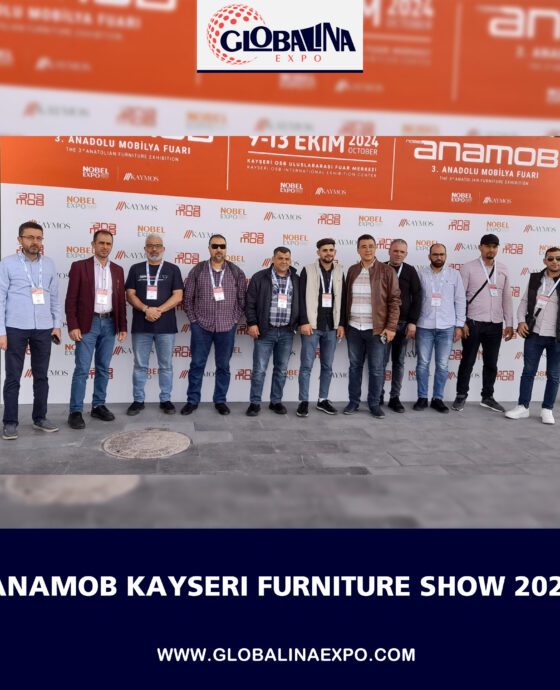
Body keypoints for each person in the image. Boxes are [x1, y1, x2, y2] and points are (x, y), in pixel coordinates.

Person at [0, 221, 61, 440]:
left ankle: (40, 417)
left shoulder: (49, 264)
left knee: (41, 376)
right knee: (13, 377)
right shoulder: (7, 263)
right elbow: (0, 298)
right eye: (30, 237)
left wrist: (56, 325)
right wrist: (1, 332)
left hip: (43, 328)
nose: (35, 242)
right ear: (20, 240)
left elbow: (55, 298)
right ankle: (10, 422)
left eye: (39, 238)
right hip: (15, 327)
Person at [65, 229, 127, 429]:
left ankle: (98, 405)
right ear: (93, 245)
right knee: (82, 369)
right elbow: (70, 300)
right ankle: (75, 411)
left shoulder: (117, 270)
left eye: (108, 243)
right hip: (87, 324)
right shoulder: (79, 267)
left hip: (109, 324)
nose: (105, 247)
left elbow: (120, 301)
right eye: (101, 243)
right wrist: (73, 325)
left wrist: (122, 326)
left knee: (103, 368)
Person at [182, 234, 246, 416]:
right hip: (201, 326)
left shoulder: (236, 272)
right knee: (197, 364)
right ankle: (192, 401)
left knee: (223, 366)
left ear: (226, 249)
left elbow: (242, 300)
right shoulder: (198, 270)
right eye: (215, 246)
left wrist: (234, 320)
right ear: (209, 248)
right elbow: (187, 299)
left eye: (222, 246)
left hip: (227, 327)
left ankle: (220, 401)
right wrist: (194, 321)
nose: (219, 249)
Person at [452, 234, 514, 413]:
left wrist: (509, 323)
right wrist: (461, 322)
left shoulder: (503, 269)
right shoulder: (468, 268)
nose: (491, 250)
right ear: (480, 247)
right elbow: (459, 297)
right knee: (468, 361)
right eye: (487, 246)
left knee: (491, 363)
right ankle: (461, 395)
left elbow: (506, 298)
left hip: (495, 323)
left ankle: (488, 397)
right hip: (473, 323)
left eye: (494, 246)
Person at [342, 234, 400, 418]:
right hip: (354, 328)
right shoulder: (352, 270)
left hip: (377, 330)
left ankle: (374, 404)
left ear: (376, 248)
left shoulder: (387, 271)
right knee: (354, 367)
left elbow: (395, 301)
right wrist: (343, 324)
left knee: (376, 369)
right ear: (358, 250)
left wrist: (391, 327)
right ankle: (353, 402)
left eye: (371, 246)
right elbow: (345, 299)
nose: (367, 249)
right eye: (364, 246)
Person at [125, 234, 184, 416]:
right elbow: (130, 294)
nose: (154, 249)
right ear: (145, 249)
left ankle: (165, 400)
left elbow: (178, 295)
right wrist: (146, 309)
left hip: (166, 327)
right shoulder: (135, 269)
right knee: (140, 365)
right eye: (150, 246)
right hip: (141, 326)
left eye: (158, 245)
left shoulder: (173, 269)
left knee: (166, 366)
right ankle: (138, 400)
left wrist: (158, 310)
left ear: (163, 249)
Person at [505, 247, 560, 425]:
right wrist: (521, 321)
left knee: (554, 375)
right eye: (550, 258)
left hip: (557, 336)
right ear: (545, 261)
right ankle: (523, 407)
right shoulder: (536, 278)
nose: (555, 262)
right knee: (528, 372)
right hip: (534, 333)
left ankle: (547, 409)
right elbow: (524, 302)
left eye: (558, 258)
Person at [245, 247, 300, 417]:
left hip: (287, 332)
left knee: (281, 369)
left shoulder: (296, 279)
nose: (284, 261)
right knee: (259, 369)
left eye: (287, 258)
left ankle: (276, 401)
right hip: (265, 331)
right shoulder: (260, 277)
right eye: (280, 258)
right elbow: (249, 303)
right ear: (273, 259)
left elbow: (301, 304)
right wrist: (252, 323)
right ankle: (255, 403)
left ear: (290, 260)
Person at [414, 243, 466, 413]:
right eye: (435, 254)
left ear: (446, 256)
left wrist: (459, 325)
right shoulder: (420, 274)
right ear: (429, 256)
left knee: (442, 365)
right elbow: (415, 299)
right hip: (424, 325)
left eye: (441, 254)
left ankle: (438, 398)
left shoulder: (454, 275)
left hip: (447, 326)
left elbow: (460, 300)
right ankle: (422, 397)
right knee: (422, 364)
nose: (438, 257)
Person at [296, 238, 345, 417]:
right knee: (306, 365)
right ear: (318, 252)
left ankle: (323, 400)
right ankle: (303, 401)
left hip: (331, 326)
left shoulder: (340, 270)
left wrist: (341, 324)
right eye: (324, 250)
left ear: (334, 252)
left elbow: (343, 299)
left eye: (331, 250)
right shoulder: (308, 270)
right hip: (312, 325)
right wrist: (303, 321)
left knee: (327, 366)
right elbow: (300, 298)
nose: (328, 253)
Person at [381, 239, 421, 413]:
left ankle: (394, 398)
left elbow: (417, 297)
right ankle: (378, 395)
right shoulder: (380, 268)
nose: (398, 254)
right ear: (389, 251)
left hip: (403, 325)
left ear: (406, 254)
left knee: (398, 363)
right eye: (395, 251)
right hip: (383, 325)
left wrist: (413, 322)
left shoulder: (410, 271)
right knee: (380, 362)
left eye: (402, 252)